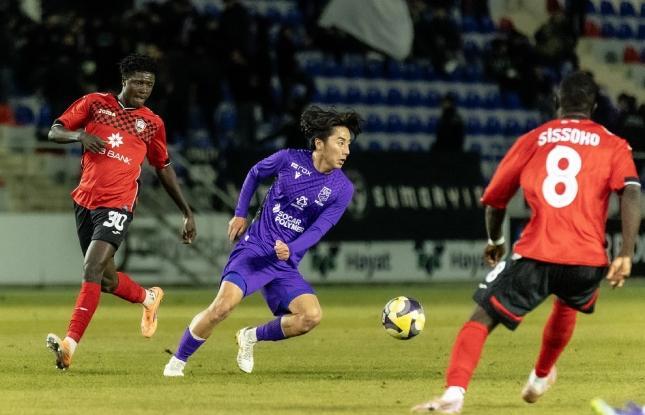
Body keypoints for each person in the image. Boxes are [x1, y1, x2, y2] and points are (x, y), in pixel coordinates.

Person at [412, 71, 641, 413]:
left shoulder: (535, 138)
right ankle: (540, 377)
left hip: (538, 251)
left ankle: (453, 394)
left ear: (557, 102)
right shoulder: (614, 143)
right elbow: (631, 192)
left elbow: (495, 200)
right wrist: (626, 252)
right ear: (593, 107)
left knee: (481, 316)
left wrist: (496, 239)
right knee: (568, 302)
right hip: (587, 260)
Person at [163, 106, 361, 377]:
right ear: (319, 143)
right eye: (340, 142)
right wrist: (240, 214)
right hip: (254, 250)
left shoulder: (343, 188)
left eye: (348, 144)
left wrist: (292, 249)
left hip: (284, 262)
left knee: (311, 316)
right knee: (222, 307)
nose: (346, 150)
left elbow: (319, 229)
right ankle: (177, 362)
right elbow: (256, 173)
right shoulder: (288, 159)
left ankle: (250, 336)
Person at [45, 53, 197, 370]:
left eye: (149, 84)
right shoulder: (95, 104)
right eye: (138, 82)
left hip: (119, 204)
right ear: (124, 81)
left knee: (91, 268)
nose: (144, 89)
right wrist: (79, 135)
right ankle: (148, 298)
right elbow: (54, 131)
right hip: (85, 200)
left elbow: (163, 167)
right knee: (107, 279)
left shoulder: (152, 123)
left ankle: (69, 345)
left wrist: (186, 211)